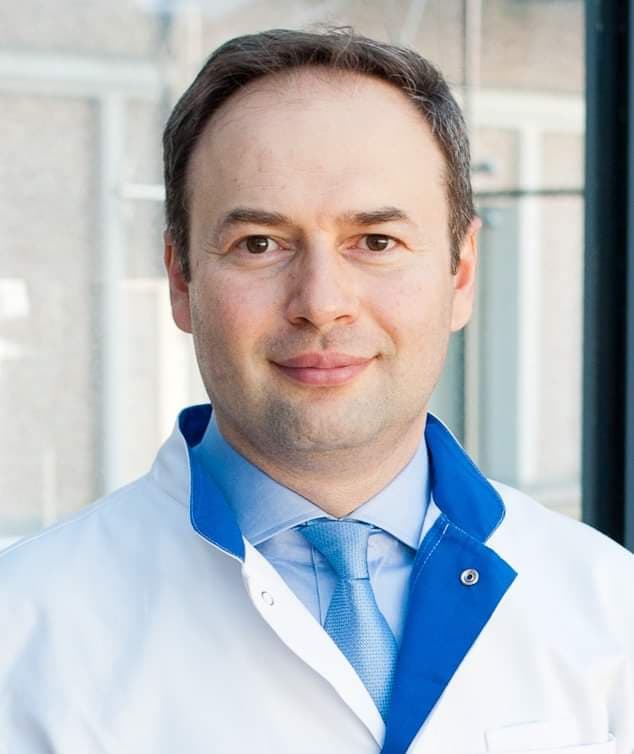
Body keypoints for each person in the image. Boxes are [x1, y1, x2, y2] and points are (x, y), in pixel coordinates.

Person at [1, 27, 632, 754]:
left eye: (376, 242)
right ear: (180, 280)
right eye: (260, 244)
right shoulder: (21, 635)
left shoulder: (610, 608)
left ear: (459, 274)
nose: (322, 303)